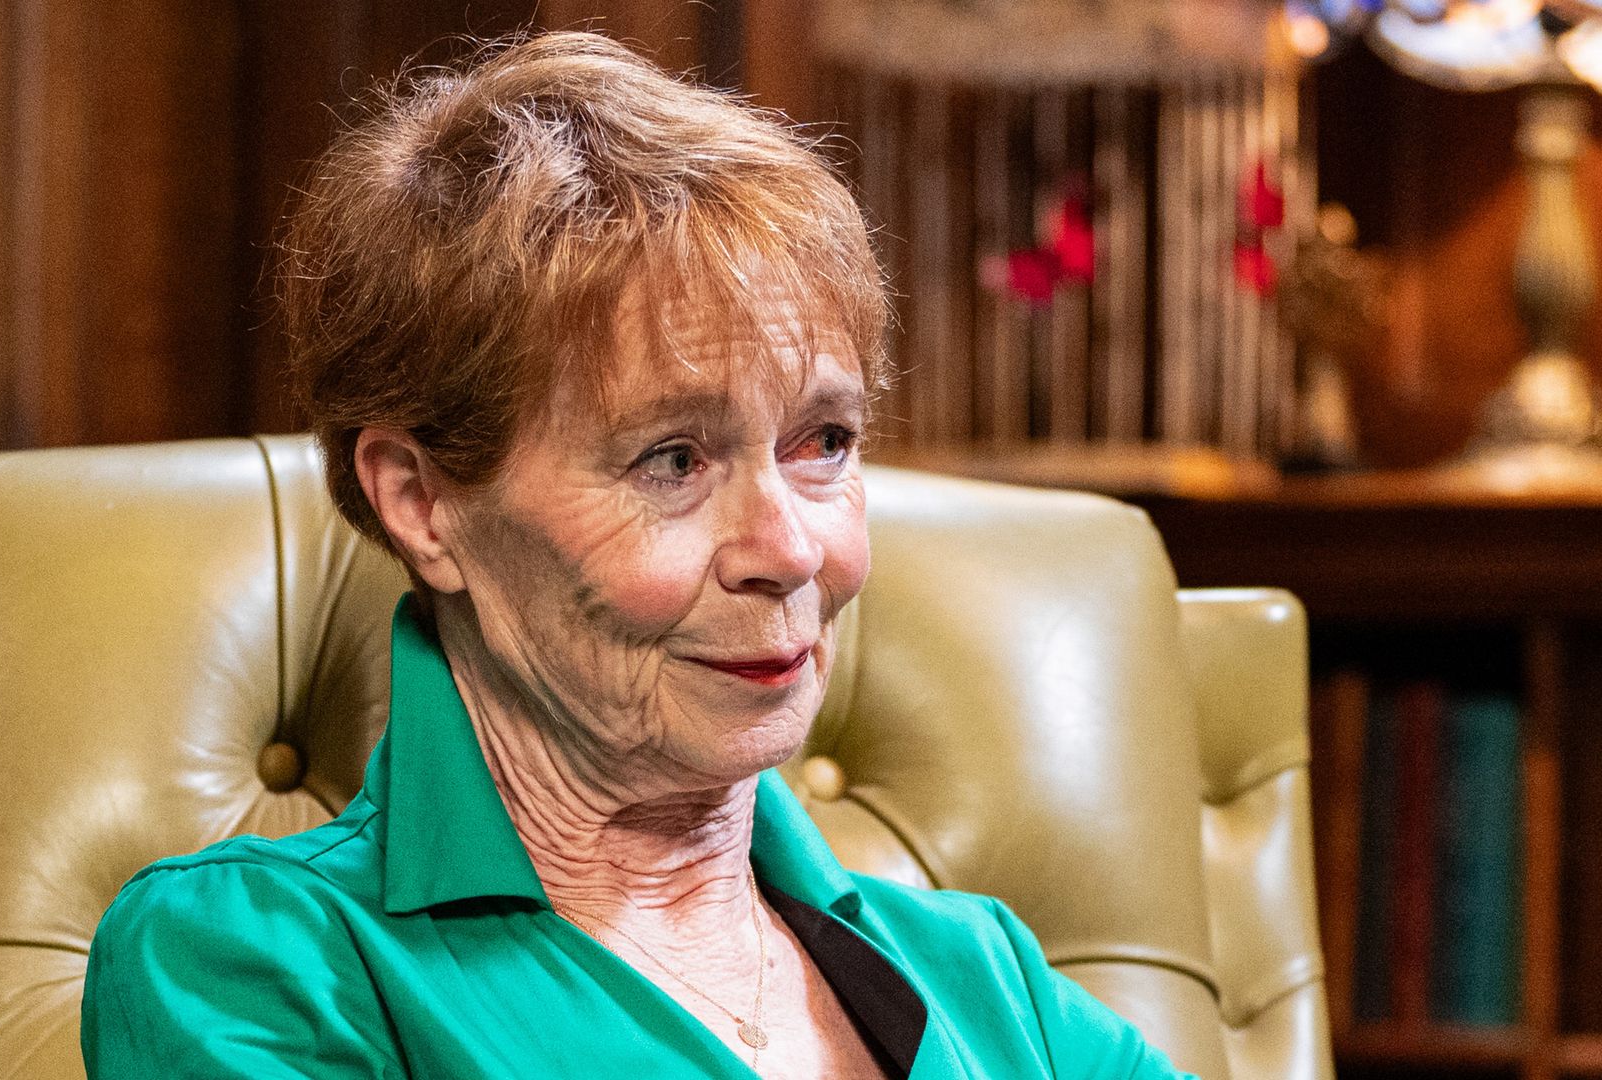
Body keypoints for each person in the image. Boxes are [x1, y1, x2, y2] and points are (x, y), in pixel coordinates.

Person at [80, 31, 1194, 1080]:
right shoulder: (256, 960)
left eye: (823, 443)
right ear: (422, 503)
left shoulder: (988, 980)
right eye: (672, 460)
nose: (789, 551)